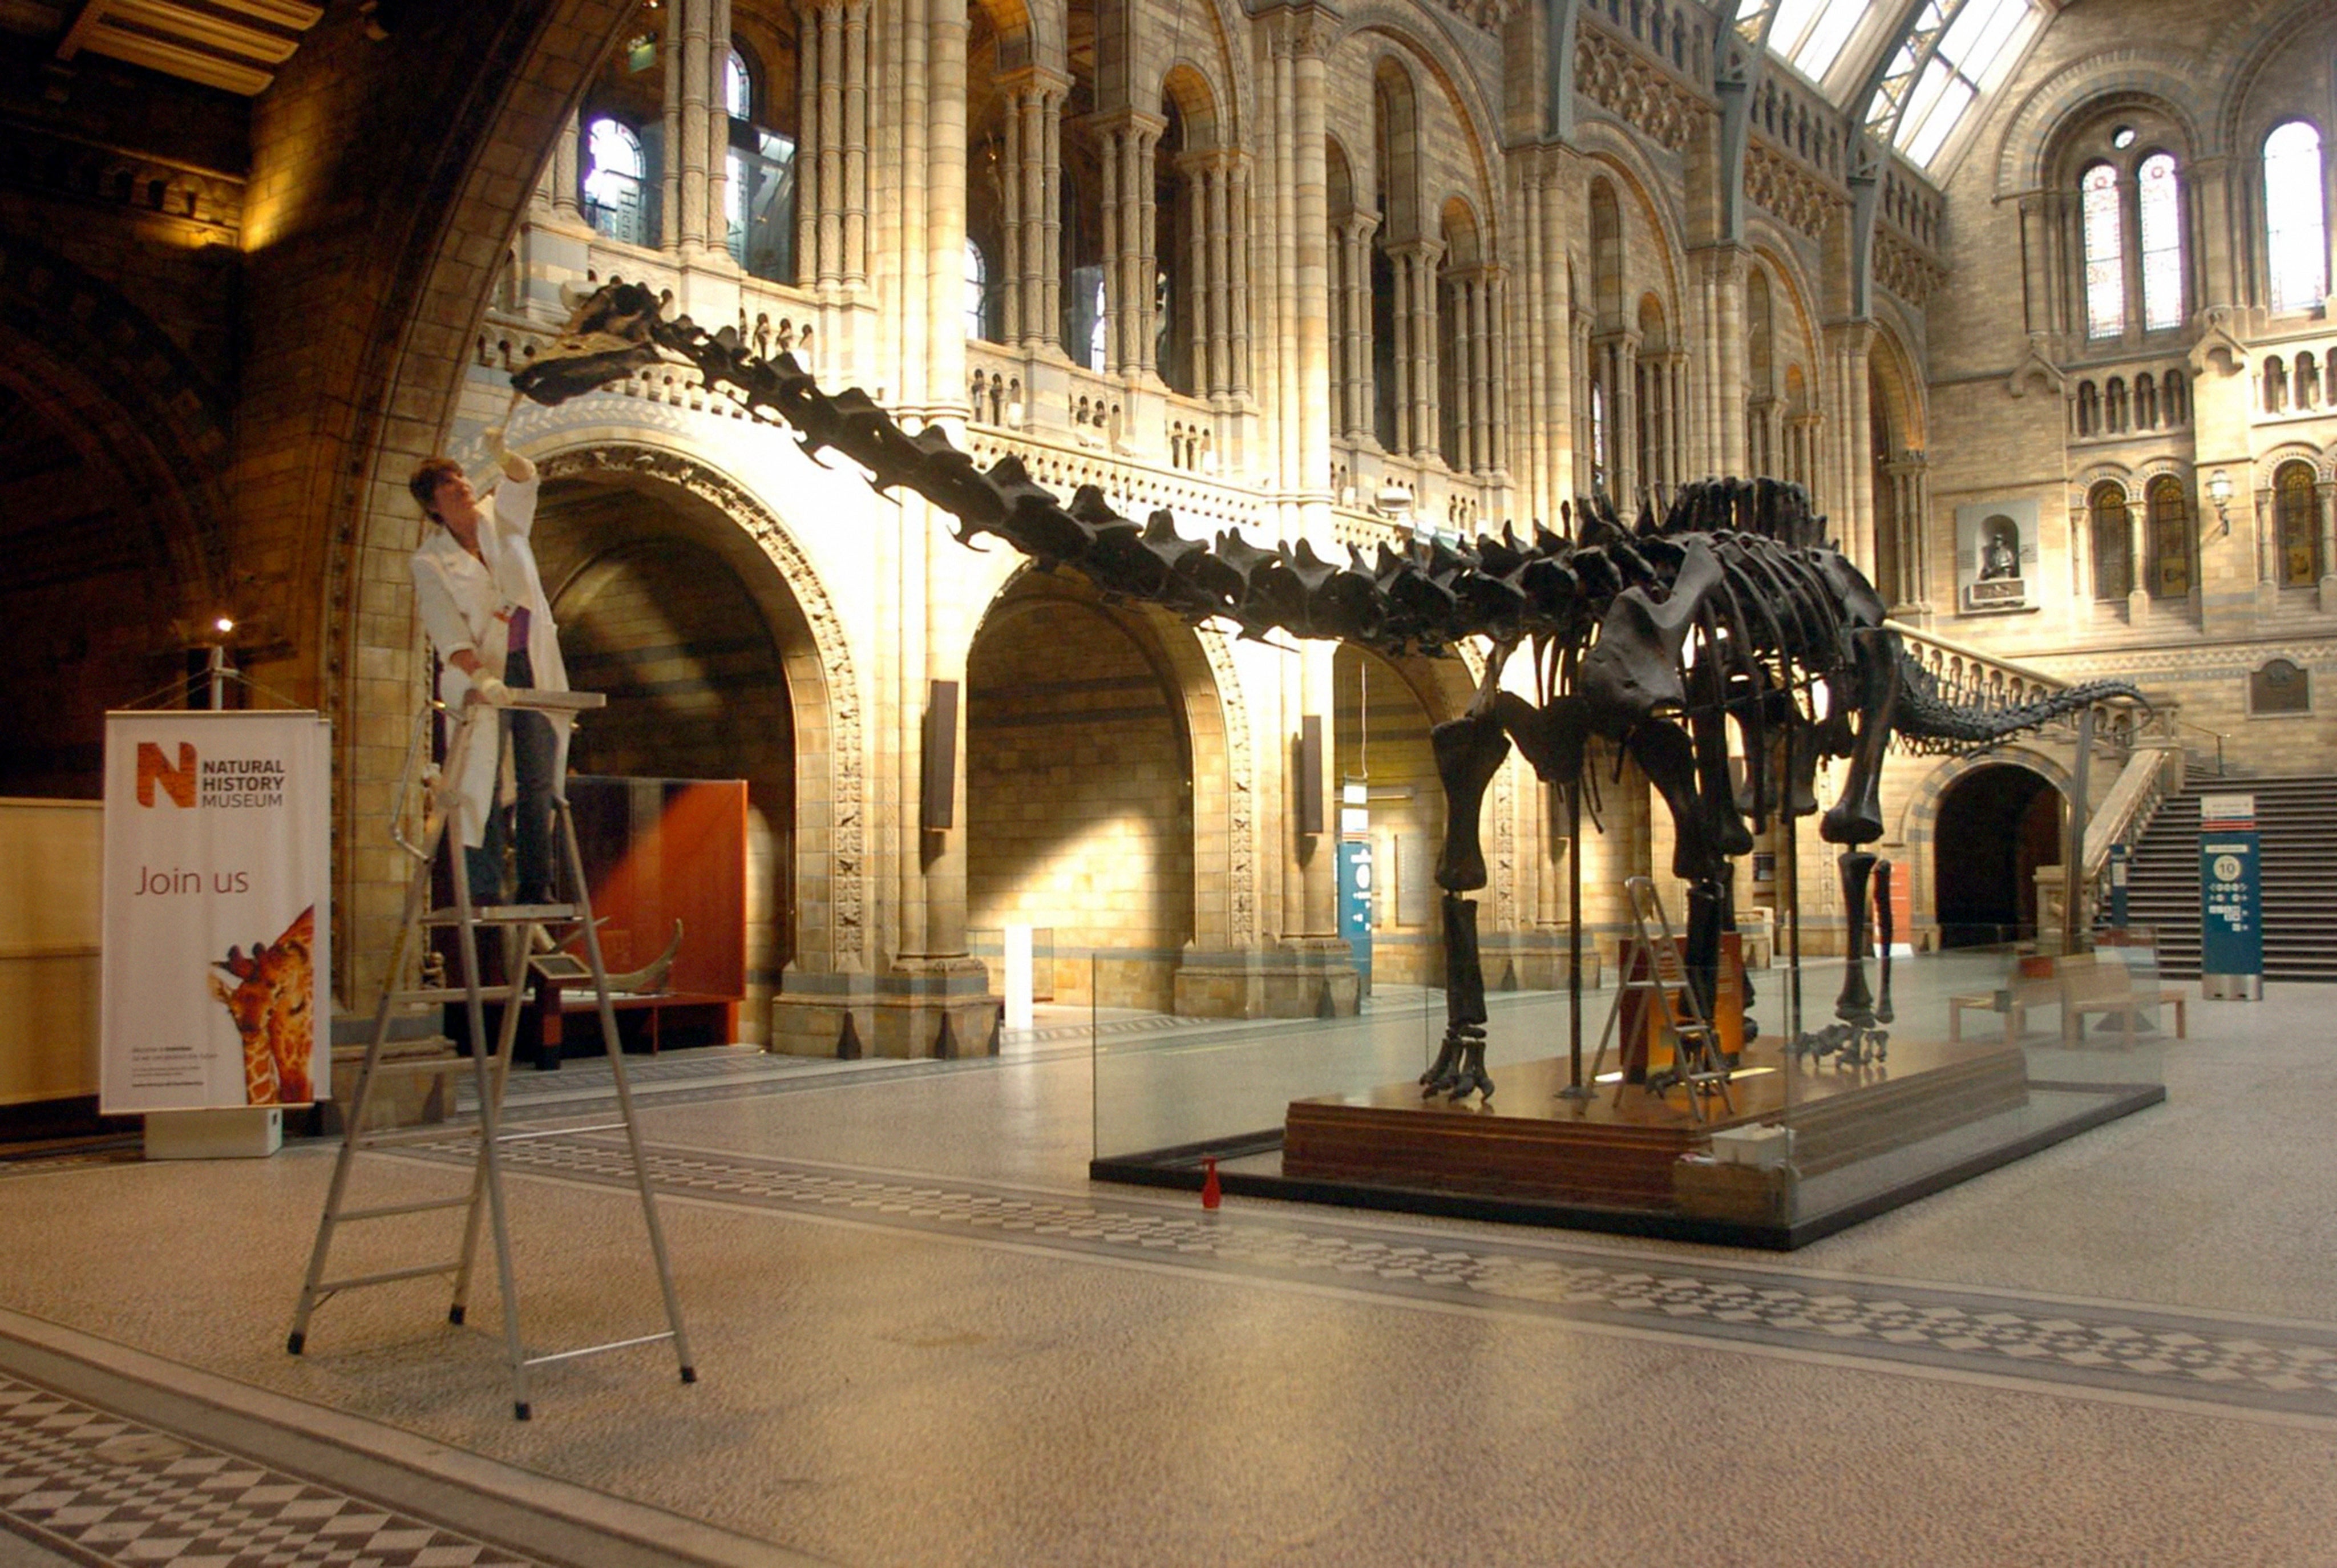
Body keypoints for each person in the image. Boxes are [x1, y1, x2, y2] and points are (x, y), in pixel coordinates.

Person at [409, 425, 569, 907]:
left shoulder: (502, 520)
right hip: (482, 677)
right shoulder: (430, 562)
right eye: (448, 484)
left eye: (461, 477)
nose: (461, 485)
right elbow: (448, 632)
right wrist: (482, 678)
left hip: (531, 662)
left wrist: (502, 453)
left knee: (538, 775)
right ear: (433, 504)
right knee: (483, 780)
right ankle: (484, 887)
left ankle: (535, 882)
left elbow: (525, 480)